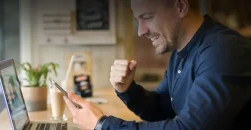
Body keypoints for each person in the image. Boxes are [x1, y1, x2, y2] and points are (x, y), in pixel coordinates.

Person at [63, 0, 251, 129]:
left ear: (181, 6)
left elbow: (187, 128)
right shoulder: (180, 52)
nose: (141, 31)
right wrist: (128, 89)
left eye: (147, 17)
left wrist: (102, 125)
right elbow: (161, 108)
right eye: (138, 20)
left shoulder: (223, 51)